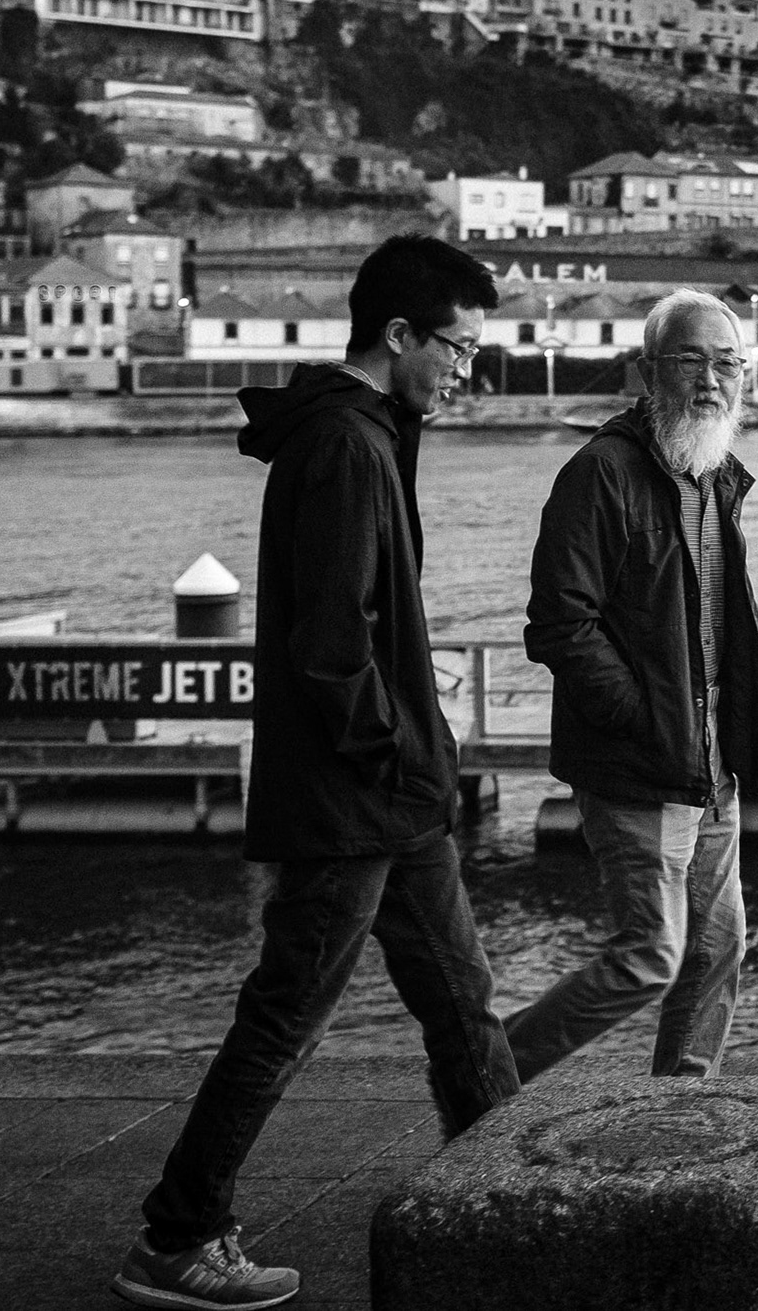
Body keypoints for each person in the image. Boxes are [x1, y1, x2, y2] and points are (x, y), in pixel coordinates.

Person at [114, 236, 516, 1311]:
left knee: (464, 1003)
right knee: (287, 1013)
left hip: (393, 793)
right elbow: (333, 649)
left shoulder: (370, 432)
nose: (468, 373)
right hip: (357, 800)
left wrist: (415, 741)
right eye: (460, 350)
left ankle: (515, 1205)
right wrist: (402, 745)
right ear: (399, 336)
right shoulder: (344, 446)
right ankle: (179, 1231)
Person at [506, 289, 758, 1084]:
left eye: (728, 363)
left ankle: (681, 1107)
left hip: (709, 765)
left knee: (718, 948)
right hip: (638, 763)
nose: (712, 380)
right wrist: (643, 718)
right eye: (690, 361)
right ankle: (488, 1068)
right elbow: (560, 624)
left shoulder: (714, 476)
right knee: (651, 954)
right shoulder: (600, 474)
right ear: (644, 371)